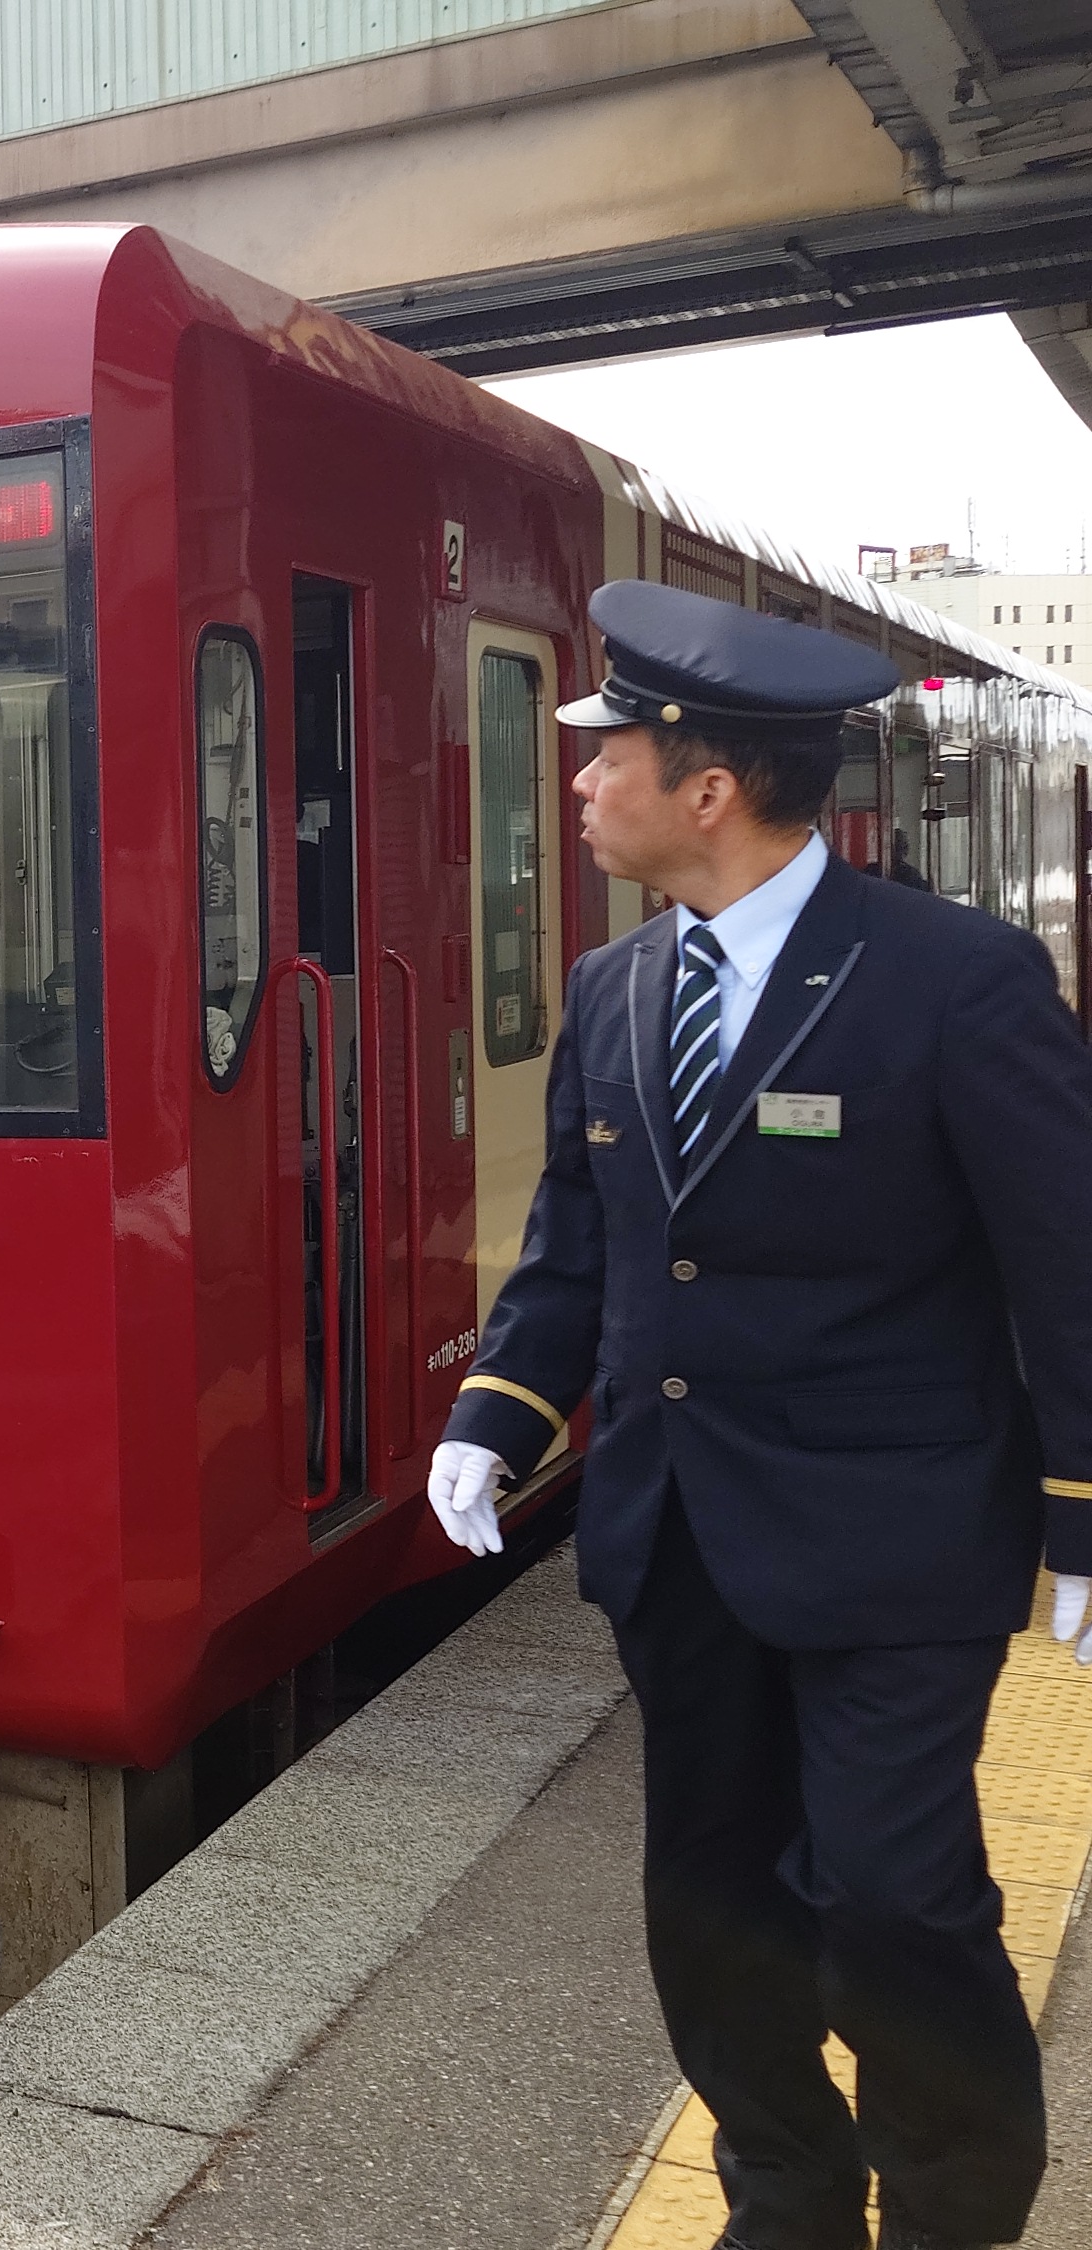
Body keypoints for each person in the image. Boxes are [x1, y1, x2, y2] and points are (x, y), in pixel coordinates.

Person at [427, 580, 1092, 2250]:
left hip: (899, 1539)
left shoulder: (953, 978)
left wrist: (1084, 1509)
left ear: (706, 785)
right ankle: (787, 2194)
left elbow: (1067, 1258)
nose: (580, 780)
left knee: (894, 1898)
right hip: (680, 1535)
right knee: (710, 1904)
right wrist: (497, 1413)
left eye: (607, 753)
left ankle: (951, 2212)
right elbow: (580, 1248)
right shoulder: (612, 988)